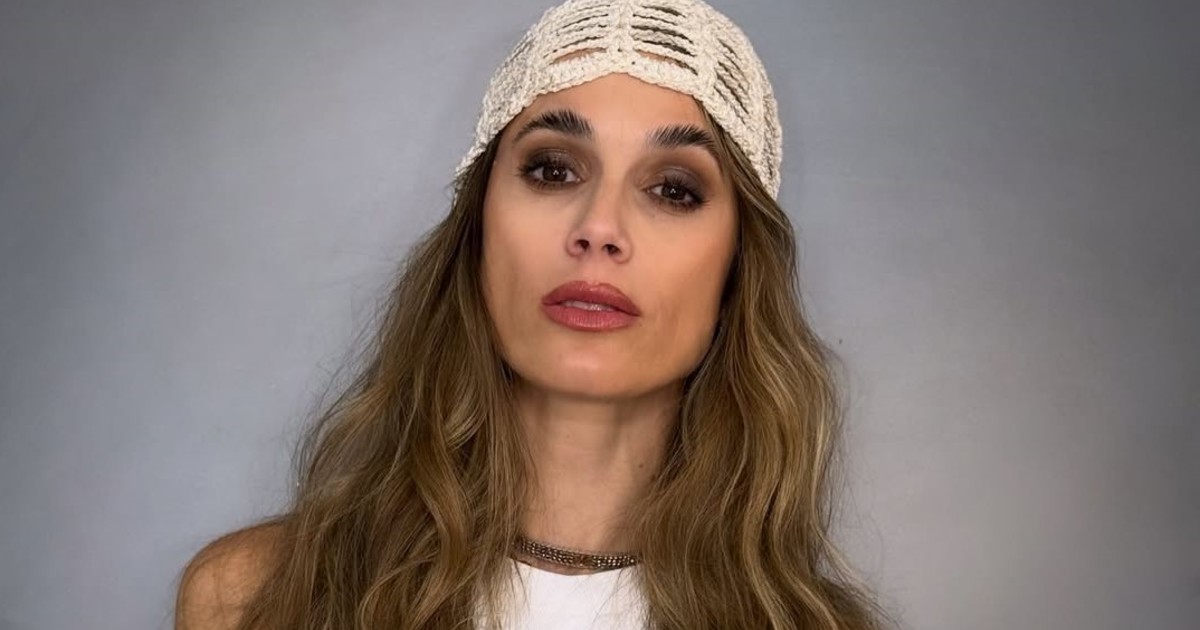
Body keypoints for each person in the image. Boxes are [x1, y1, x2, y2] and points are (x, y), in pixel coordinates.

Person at [175, 0, 885, 628]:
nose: (599, 227)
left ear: (737, 266)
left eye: (673, 190)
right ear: (478, 228)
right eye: (552, 170)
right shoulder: (252, 599)